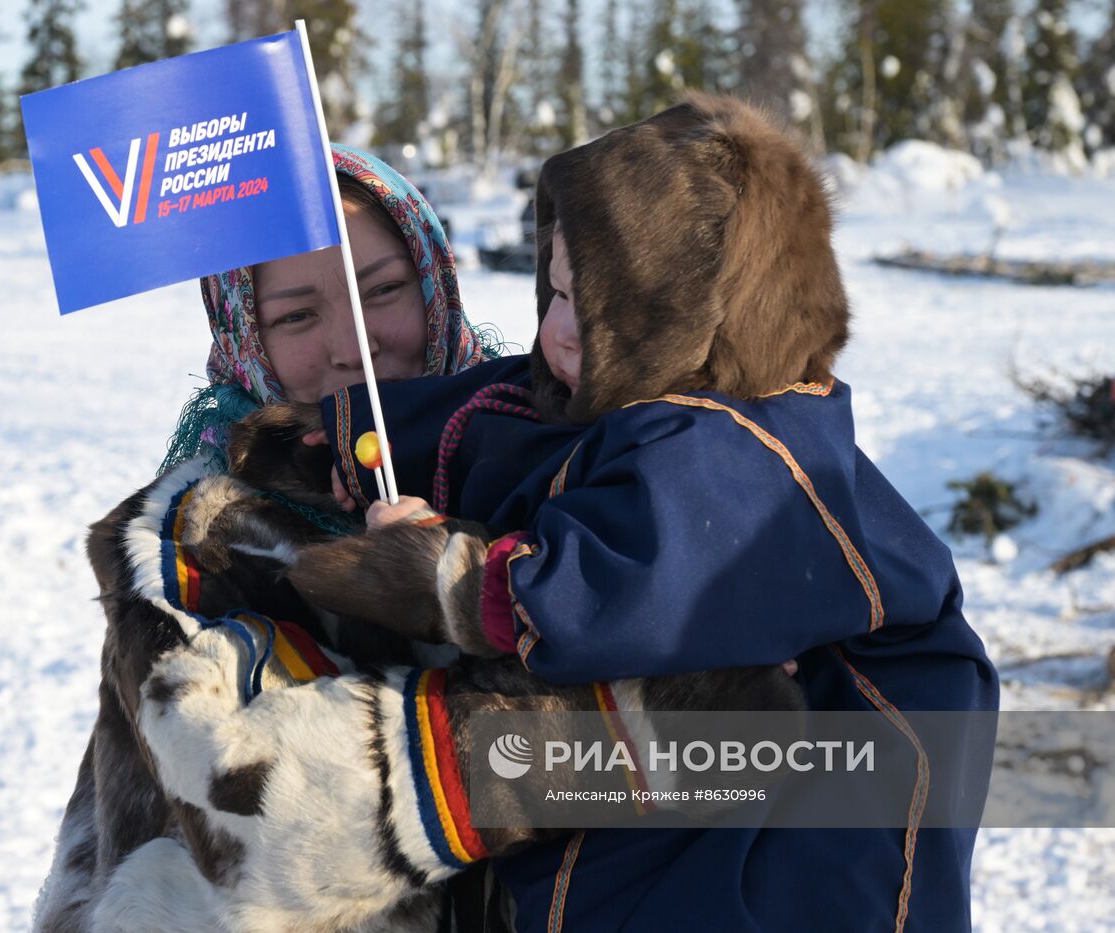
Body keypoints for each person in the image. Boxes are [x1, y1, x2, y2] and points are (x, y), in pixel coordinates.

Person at [277, 92, 999, 931]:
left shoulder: (746, 446)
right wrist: (348, 434)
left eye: (610, 316)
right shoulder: (603, 392)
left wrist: (447, 576)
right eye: (554, 296)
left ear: (700, 321)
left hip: (820, 828)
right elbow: (488, 409)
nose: (564, 334)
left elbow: (630, 585)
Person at [31, 144, 497, 933]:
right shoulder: (193, 547)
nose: (354, 344)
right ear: (245, 333)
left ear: (436, 283)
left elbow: (738, 756)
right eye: (296, 316)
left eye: (383, 289)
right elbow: (277, 820)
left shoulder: (538, 452)